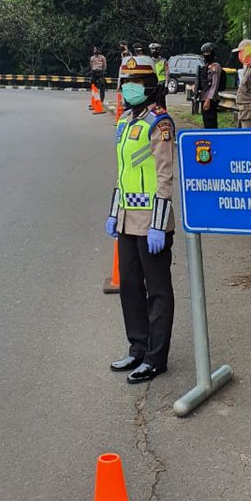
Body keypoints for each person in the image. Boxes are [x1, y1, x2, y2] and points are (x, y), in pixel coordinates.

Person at [106, 55, 176, 384]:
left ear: (149, 87)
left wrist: (159, 224)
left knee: (158, 290)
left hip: (151, 222)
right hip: (126, 220)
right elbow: (123, 174)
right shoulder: (124, 122)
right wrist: (113, 213)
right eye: (126, 82)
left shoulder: (159, 123)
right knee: (130, 286)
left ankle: (155, 357)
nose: (129, 88)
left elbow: (165, 178)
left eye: (136, 83)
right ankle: (137, 347)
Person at [195, 42, 223, 128]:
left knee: (211, 122)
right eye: (204, 53)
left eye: (207, 53)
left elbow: (214, 84)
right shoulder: (206, 66)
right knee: (206, 122)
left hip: (210, 99)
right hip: (203, 97)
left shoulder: (215, 66)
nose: (205, 55)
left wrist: (209, 99)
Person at [148, 43, 168, 108]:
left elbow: (167, 73)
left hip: (161, 84)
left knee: (161, 103)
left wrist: (166, 86)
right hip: (152, 85)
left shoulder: (163, 61)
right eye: (152, 50)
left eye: (155, 50)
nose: (154, 52)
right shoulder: (149, 61)